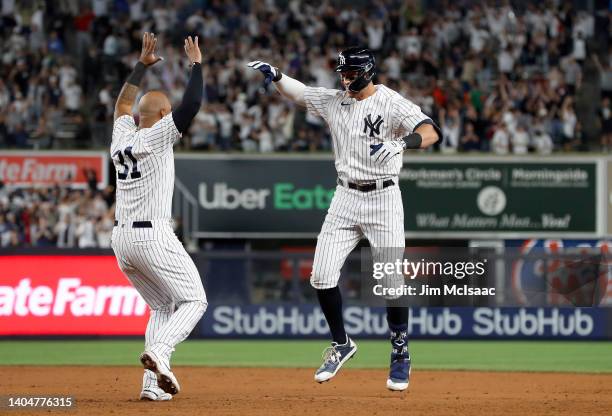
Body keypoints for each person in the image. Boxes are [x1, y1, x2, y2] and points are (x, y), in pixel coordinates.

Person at [248, 47, 440, 391]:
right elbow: (302, 92)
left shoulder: (390, 101)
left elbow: (431, 131)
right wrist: (277, 76)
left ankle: (400, 352)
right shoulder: (336, 100)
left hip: (383, 197)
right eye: (342, 72)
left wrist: (404, 143)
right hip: (345, 196)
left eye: (350, 73)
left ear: (367, 71)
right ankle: (342, 344)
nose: (344, 78)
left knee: (390, 282)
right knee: (320, 276)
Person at [110, 32, 207, 401]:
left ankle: (152, 386)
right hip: (152, 236)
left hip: (121, 241)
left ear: (139, 116)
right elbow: (192, 103)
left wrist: (140, 67)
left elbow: (122, 106)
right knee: (195, 300)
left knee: (163, 306)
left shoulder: (122, 137)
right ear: (164, 116)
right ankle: (161, 352)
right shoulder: (159, 137)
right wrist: (196, 64)